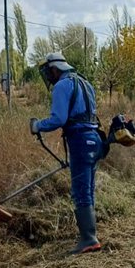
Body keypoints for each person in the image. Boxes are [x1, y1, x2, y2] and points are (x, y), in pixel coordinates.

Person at [30, 52, 103, 255]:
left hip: (80, 141)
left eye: (48, 72)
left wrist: (38, 125)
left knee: (80, 191)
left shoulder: (62, 86)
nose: (48, 76)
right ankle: (90, 235)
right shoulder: (85, 83)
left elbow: (58, 119)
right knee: (88, 189)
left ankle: (88, 239)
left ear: (54, 68)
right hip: (94, 139)